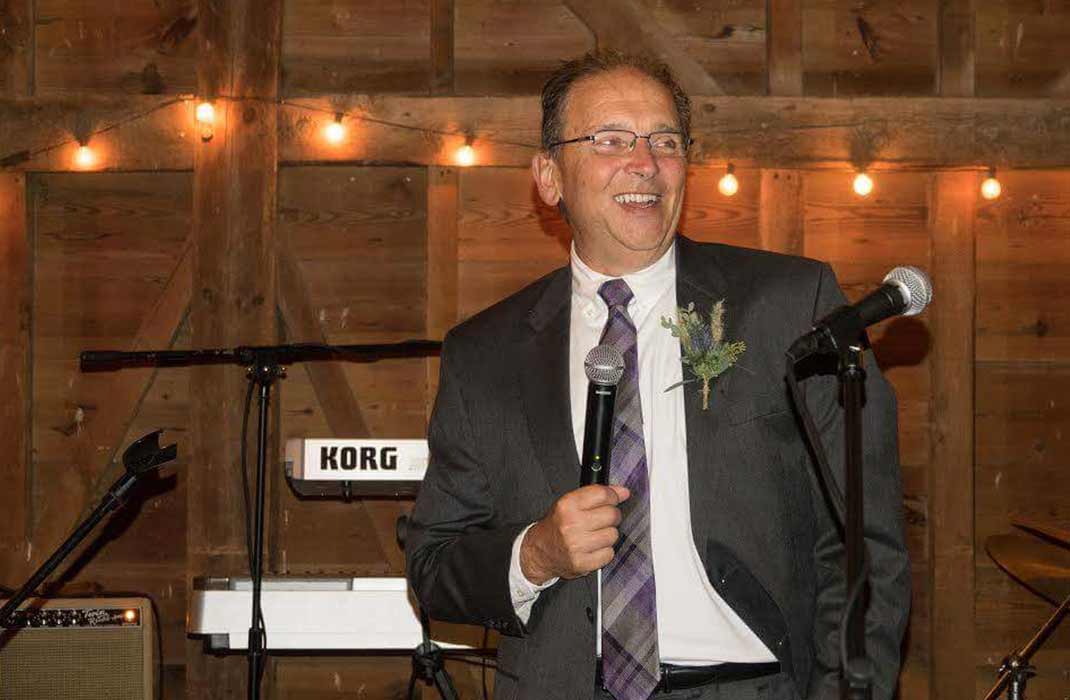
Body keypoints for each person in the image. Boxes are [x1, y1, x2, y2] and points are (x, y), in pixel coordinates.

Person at [405, 50, 910, 700]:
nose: (645, 163)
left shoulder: (790, 306)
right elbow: (432, 562)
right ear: (549, 176)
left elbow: (864, 542)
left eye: (665, 141)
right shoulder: (485, 354)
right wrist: (535, 555)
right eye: (611, 140)